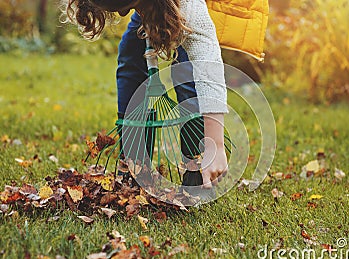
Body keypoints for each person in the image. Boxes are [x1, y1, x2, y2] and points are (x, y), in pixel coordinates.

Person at [62, 0, 228, 189]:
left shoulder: (189, 7)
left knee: (186, 67)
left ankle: (195, 164)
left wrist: (216, 145)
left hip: (174, 8)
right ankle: (134, 165)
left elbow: (207, 64)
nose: (123, 15)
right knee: (131, 51)